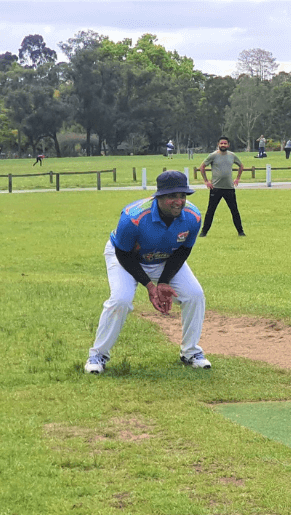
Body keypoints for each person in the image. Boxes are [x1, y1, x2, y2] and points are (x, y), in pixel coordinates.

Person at [84, 170, 210, 374]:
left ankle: (190, 352)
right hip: (126, 257)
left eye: (182, 196)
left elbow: (184, 250)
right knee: (121, 300)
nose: (179, 201)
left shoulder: (193, 217)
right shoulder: (133, 217)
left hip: (165, 257)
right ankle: (98, 355)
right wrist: (150, 286)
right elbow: (123, 254)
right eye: (172, 196)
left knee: (195, 295)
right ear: (158, 197)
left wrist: (164, 282)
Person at [198, 136, 246, 238]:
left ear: (228, 145)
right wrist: (206, 181)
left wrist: (237, 178)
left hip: (229, 188)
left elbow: (241, 166)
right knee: (210, 211)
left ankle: (240, 232)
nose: (223, 145)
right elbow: (202, 167)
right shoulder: (213, 155)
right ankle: (204, 232)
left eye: (225, 143)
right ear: (218, 145)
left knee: (234, 211)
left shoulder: (232, 155)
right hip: (216, 188)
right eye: (221, 143)